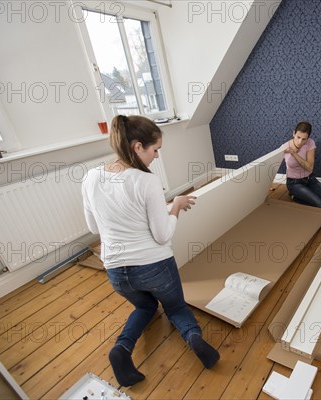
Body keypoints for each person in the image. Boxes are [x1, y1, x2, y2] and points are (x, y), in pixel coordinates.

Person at [81, 115, 219, 387]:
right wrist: (176, 206)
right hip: (154, 267)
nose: (156, 156)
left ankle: (121, 350)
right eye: (155, 150)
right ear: (137, 147)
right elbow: (162, 234)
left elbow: (94, 226)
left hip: (116, 273)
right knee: (175, 307)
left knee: (144, 307)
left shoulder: (91, 177)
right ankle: (193, 337)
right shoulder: (146, 181)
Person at [282, 121, 321, 208]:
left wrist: (294, 153)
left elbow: (309, 168)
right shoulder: (284, 147)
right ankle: (293, 195)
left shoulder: (310, 143)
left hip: (310, 179)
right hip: (294, 183)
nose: (300, 142)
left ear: (308, 138)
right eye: (298, 137)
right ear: (293, 133)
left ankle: (307, 192)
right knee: (319, 204)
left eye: (304, 139)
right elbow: (270, 162)